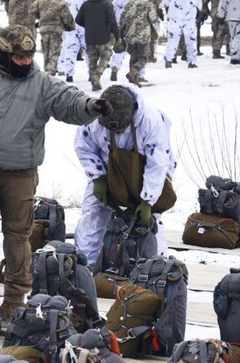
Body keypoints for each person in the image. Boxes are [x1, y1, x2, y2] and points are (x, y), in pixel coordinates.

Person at [0, 25, 113, 320]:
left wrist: (91, 106)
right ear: (2, 53)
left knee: (17, 236)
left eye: (28, 56)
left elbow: (69, 100)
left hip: (19, 175)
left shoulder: (42, 84)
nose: (25, 62)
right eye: (18, 57)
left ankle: (13, 300)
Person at [74, 84, 176, 269]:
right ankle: (86, 266)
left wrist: (148, 201)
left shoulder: (151, 122)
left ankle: (157, 268)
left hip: (147, 173)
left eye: (120, 128)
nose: (118, 132)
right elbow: (84, 147)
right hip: (107, 171)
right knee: (93, 212)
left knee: (150, 221)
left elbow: (157, 163)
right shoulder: (93, 119)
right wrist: (98, 177)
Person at [76, 0, 119, 91]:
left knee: (92, 60)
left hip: (90, 37)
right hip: (104, 37)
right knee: (106, 56)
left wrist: (88, 25)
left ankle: (93, 80)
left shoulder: (86, 4)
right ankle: (97, 75)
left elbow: (78, 20)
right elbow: (112, 22)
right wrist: (117, 35)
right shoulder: (107, 5)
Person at [29, 0, 75, 75]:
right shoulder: (62, 3)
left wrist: (40, 17)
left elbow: (32, 10)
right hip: (56, 31)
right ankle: (50, 73)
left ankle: (46, 72)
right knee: (54, 53)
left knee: (46, 53)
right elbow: (67, 18)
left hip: (44, 29)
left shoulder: (41, 0)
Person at [162, 0, 202, 69]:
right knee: (191, 42)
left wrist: (171, 10)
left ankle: (168, 60)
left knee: (172, 41)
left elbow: (165, 2)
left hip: (175, 19)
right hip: (189, 20)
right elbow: (199, 6)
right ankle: (191, 62)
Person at [119, 0, 158, 86]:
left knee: (133, 56)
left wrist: (121, 32)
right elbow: (153, 19)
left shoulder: (130, 3)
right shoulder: (149, 4)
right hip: (143, 36)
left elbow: (122, 19)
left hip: (130, 35)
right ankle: (133, 72)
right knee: (144, 56)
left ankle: (133, 80)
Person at [109, 0, 142, 81]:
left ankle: (114, 69)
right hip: (137, 28)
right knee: (138, 51)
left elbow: (112, 9)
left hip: (121, 26)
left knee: (120, 49)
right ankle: (136, 74)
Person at [56, 0, 82, 82]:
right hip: (71, 25)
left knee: (57, 46)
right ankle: (69, 72)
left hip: (56, 24)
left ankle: (58, 67)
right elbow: (80, 9)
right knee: (70, 48)